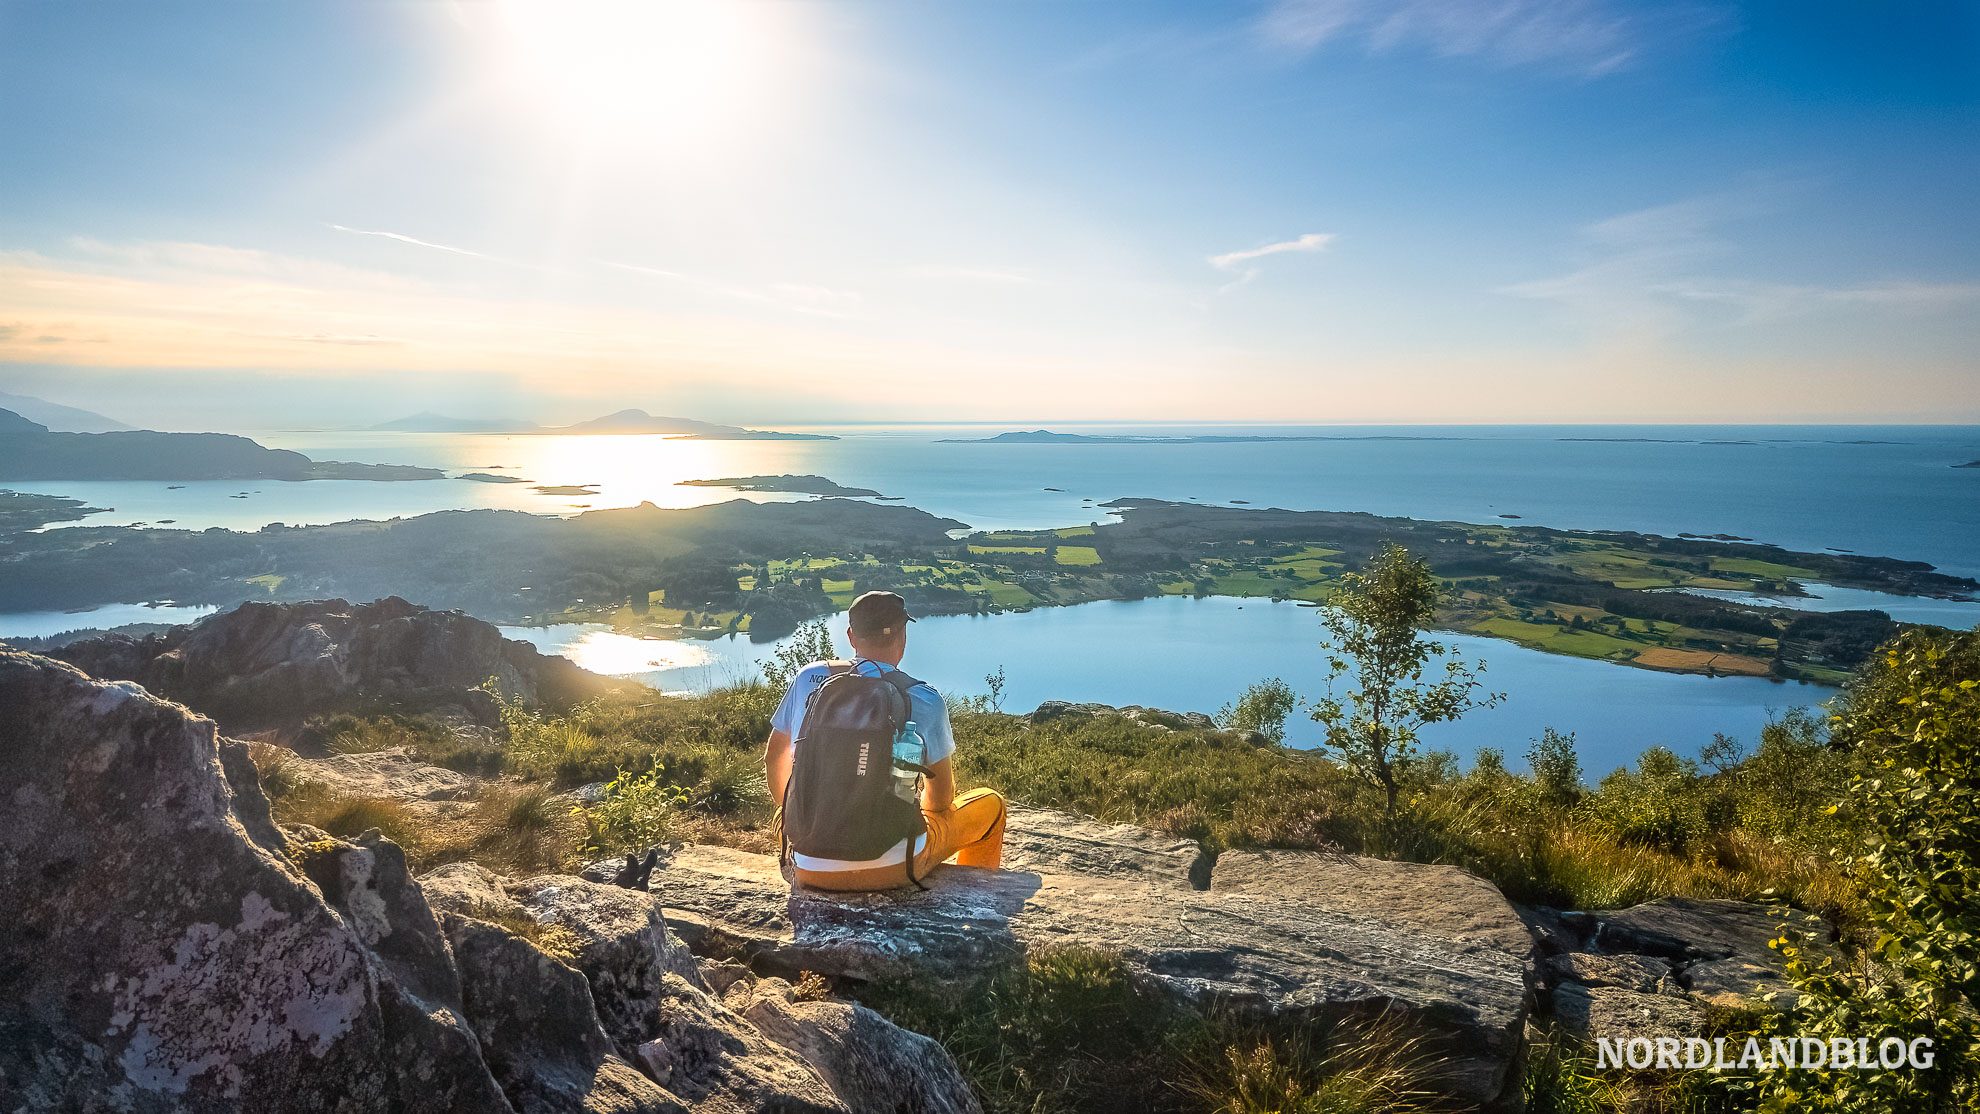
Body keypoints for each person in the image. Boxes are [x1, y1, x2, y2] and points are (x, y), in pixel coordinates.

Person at [764, 591, 1006, 891]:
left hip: (807, 865)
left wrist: (801, 814)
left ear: (851, 636)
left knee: (784, 808)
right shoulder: (924, 699)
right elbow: (940, 800)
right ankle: (977, 904)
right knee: (991, 805)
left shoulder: (808, 678)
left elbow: (775, 755)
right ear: (903, 636)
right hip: (894, 866)